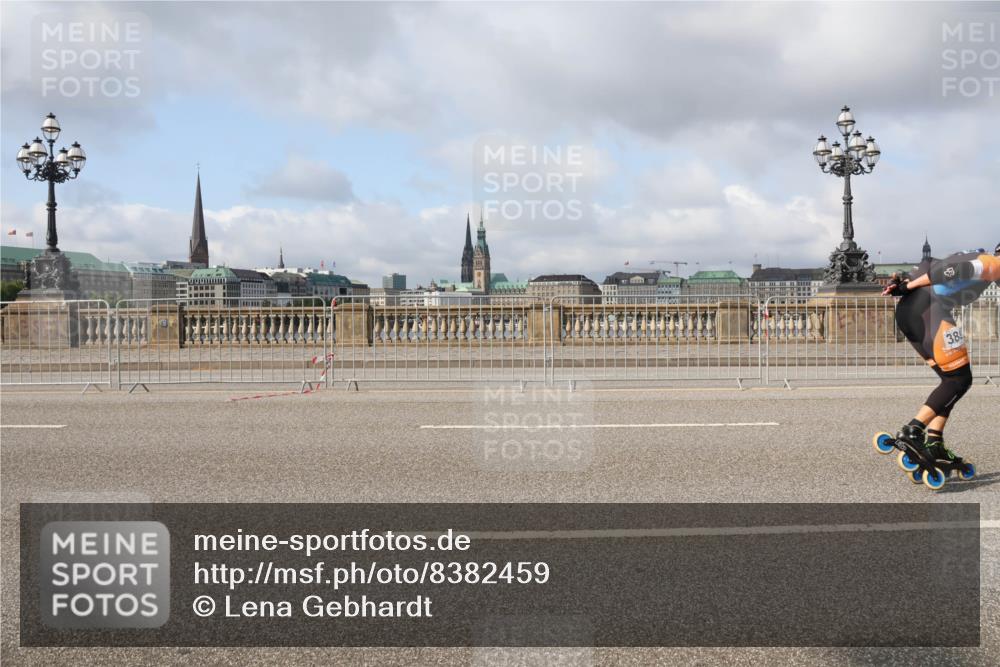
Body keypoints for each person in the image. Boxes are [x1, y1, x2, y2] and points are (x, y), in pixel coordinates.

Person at [882, 243, 1000, 467]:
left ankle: (934, 440)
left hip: (910, 313)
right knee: (959, 379)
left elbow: (930, 263)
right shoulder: (994, 264)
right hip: (930, 312)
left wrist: (905, 283)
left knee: (950, 380)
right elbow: (949, 271)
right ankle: (914, 430)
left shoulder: (981, 257)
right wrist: (909, 286)